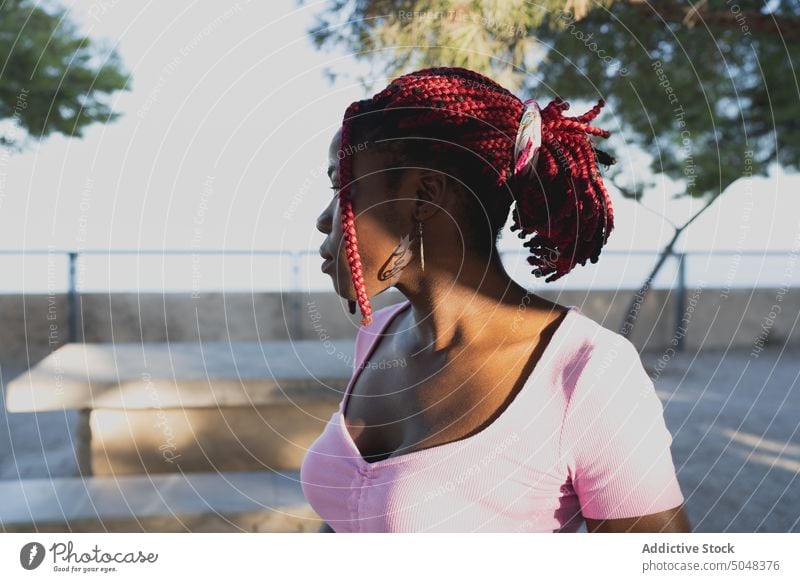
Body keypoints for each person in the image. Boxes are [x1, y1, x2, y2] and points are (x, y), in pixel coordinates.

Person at [302, 67, 691, 533]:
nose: (324, 221)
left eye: (341, 187)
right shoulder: (379, 336)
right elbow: (348, 516)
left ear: (425, 194)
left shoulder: (586, 372)